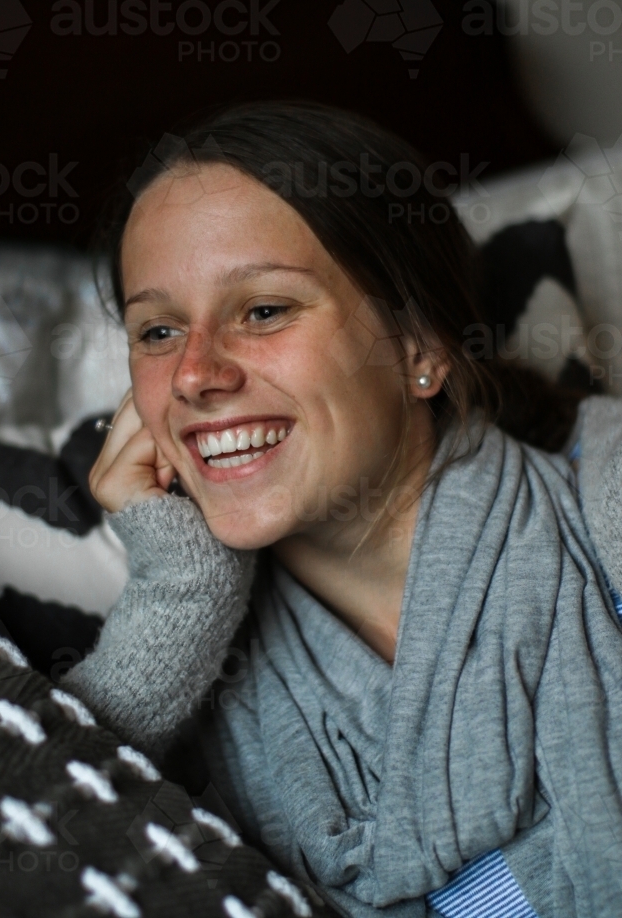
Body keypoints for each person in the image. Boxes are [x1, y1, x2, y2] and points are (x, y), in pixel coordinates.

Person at [65, 102, 622, 918]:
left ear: (422, 346)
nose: (192, 375)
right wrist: (176, 595)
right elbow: (13, 849)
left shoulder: (601, 505)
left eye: (262, 310)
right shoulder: (191, 678)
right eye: (157, 331)